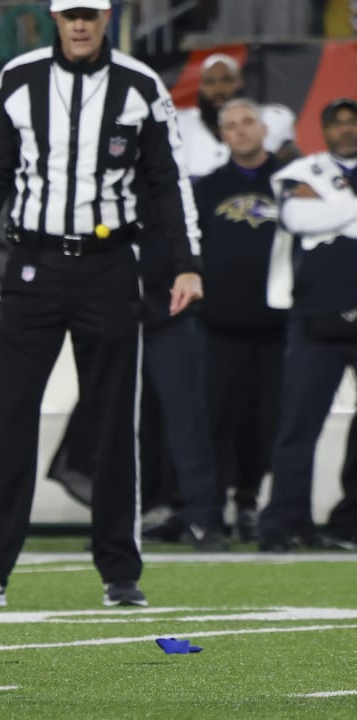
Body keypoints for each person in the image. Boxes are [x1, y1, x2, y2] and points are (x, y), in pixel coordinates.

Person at [0, 0, 201, 607]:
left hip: (110, 266)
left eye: (90, 13)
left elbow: (170, 178)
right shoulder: (19, 78)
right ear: (54, 19)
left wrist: (189, 261)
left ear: (108, 17)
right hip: (33, 267)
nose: (81, 25)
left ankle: (121, 573)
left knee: (116, 421)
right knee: (10, 418)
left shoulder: (141, 86)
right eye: (71, 15)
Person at [259, 97, 357, 552]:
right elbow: (298, 216)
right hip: (315, 316)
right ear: (323, 129)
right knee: (299, 424)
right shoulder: (306, 171)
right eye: (336, 123)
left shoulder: (320, 183)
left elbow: (322, 215)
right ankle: (284, 521)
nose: (345, 130)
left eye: (352, 123)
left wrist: (337, 209)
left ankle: (348, 520)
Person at [193, 99, 287, 543]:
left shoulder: (294, 183)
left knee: (268, 423)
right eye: (231, 125)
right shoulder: (206, 188)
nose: (241, 130)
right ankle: (209, 512)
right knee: (215, 421)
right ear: (222, 134)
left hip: (280, 329)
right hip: (220, 326)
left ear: (263, 127)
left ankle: (252, 501)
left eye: (248, 121)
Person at [174, 53, 299, 180]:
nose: (218, 89)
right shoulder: (180, 123)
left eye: (227, 80)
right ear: (200, 87)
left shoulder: (271, 118)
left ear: (240, 82)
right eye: (210, 82)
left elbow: (293, 162)